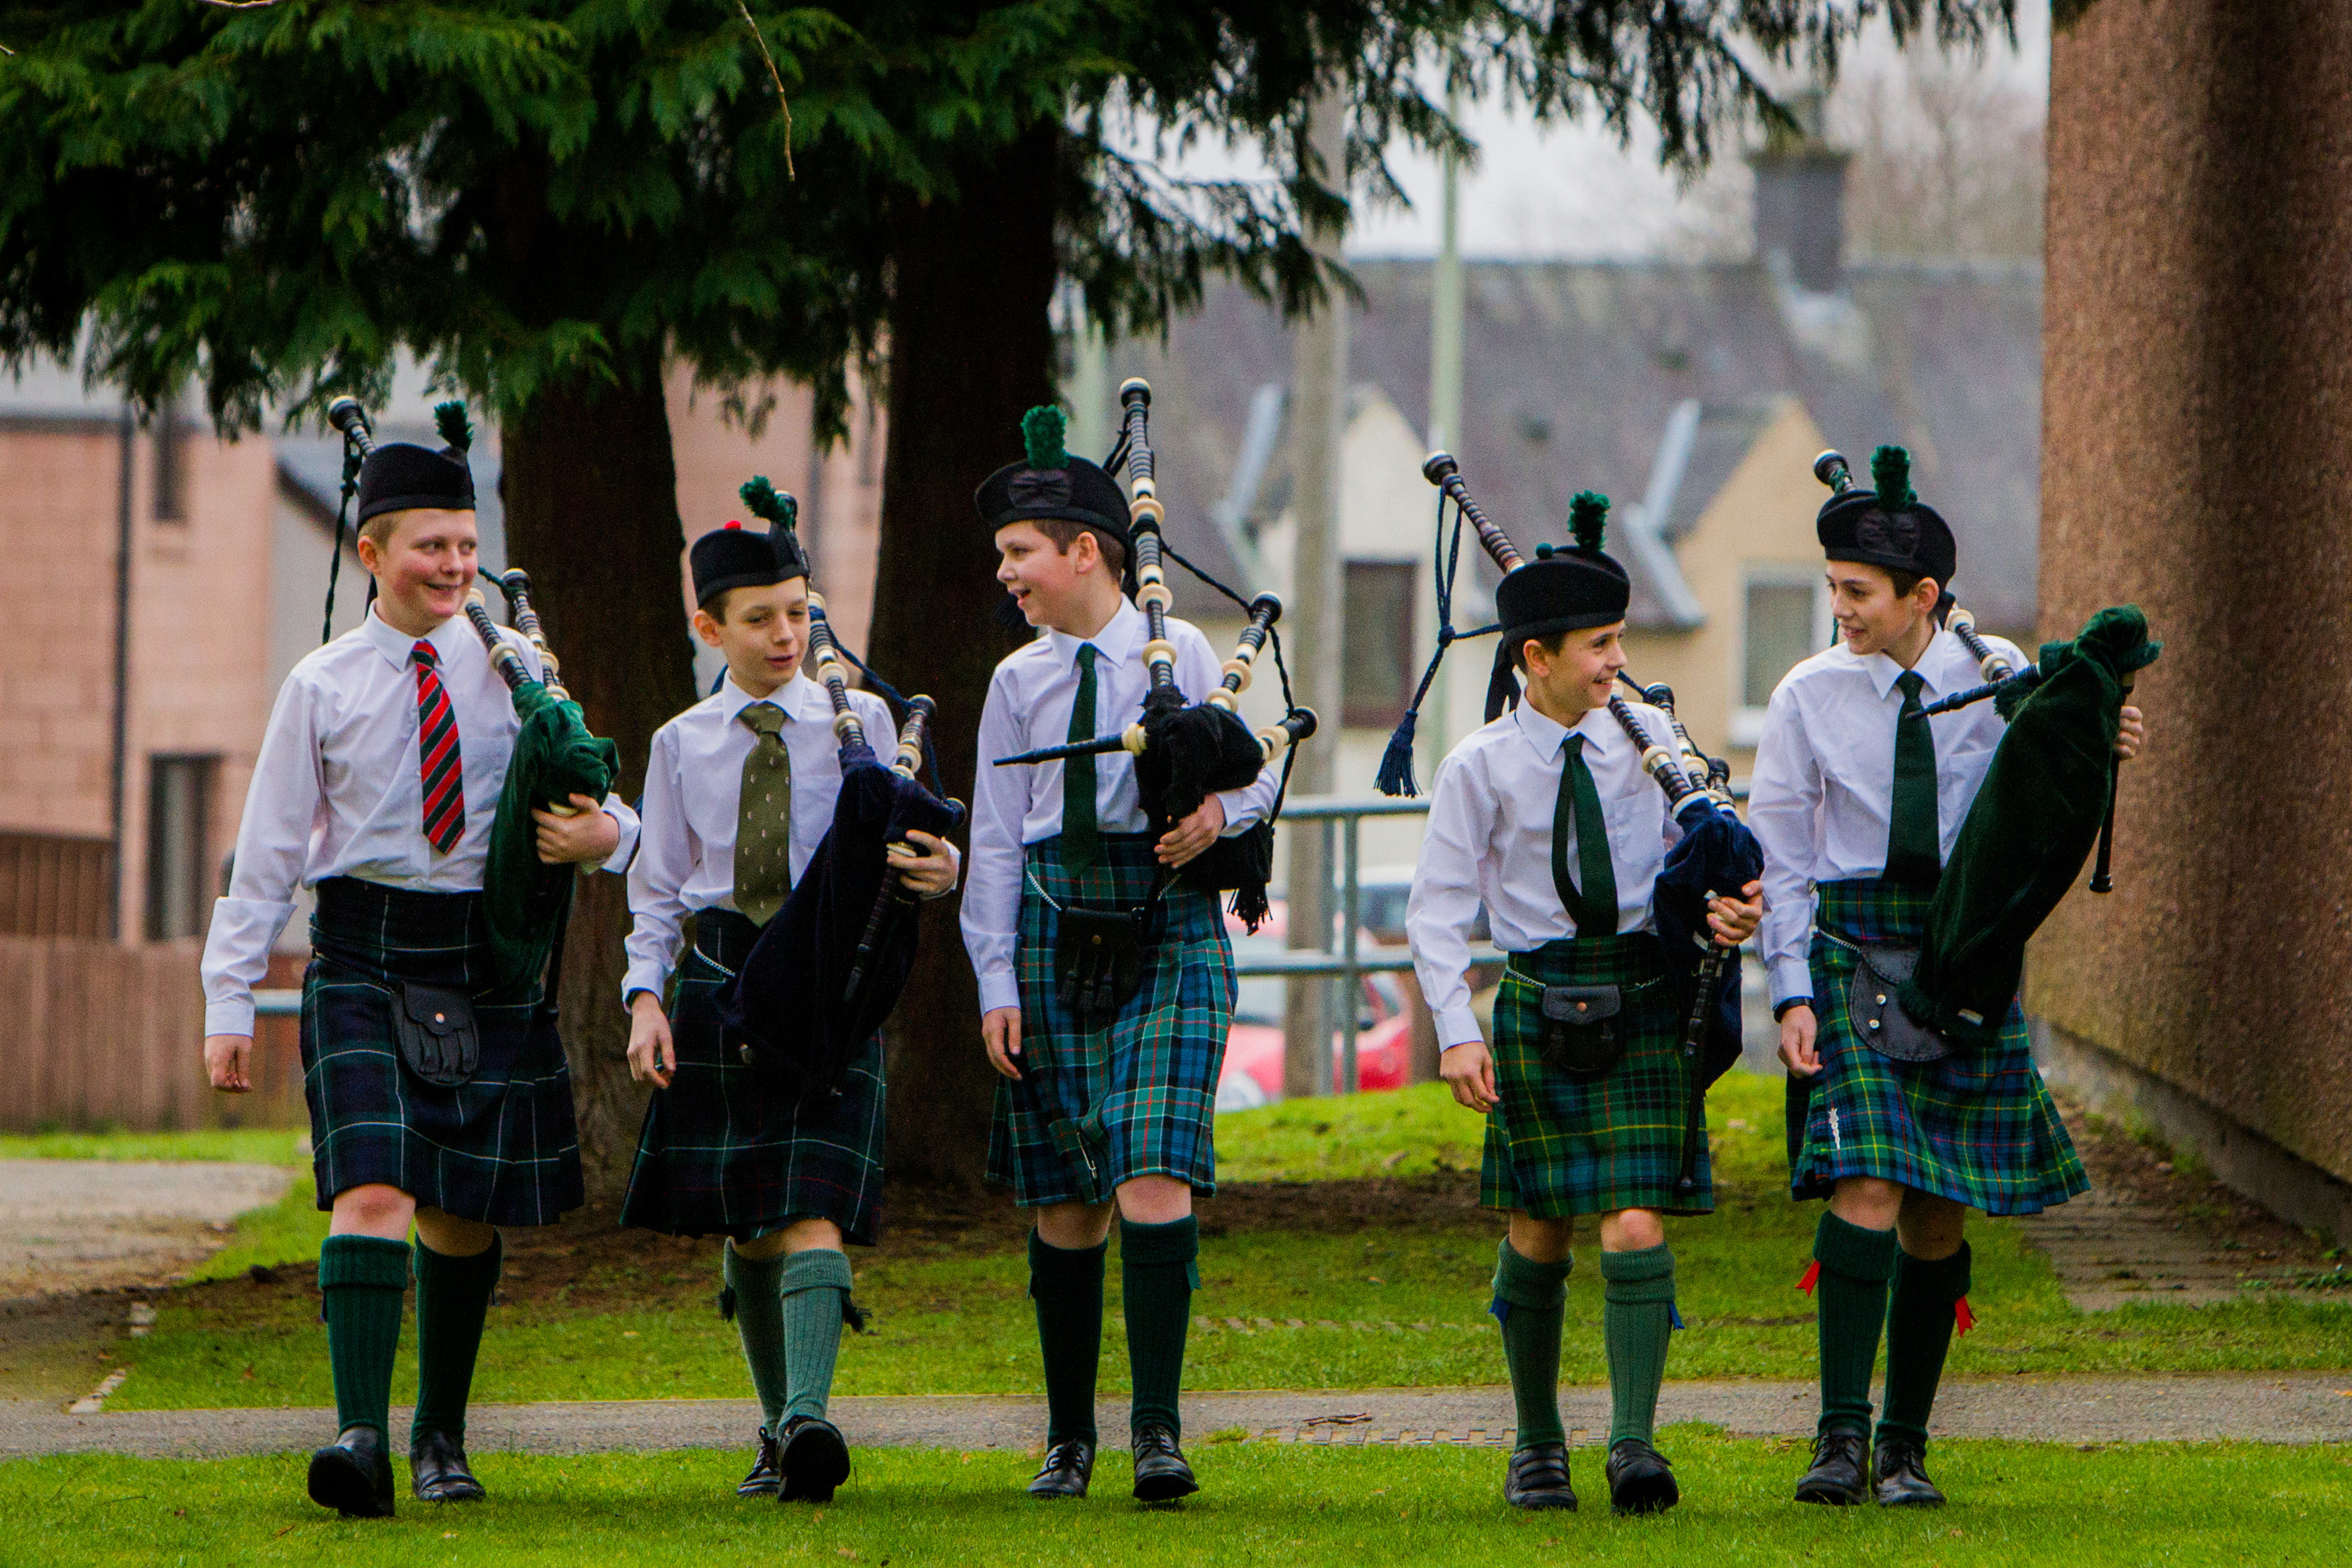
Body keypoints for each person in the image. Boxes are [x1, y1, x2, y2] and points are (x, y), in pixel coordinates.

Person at [200, 411, 639, 1517]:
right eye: (428, 546)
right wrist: (228, 998)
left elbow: (596, 796)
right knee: (375, 1189)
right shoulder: (323, 684)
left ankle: (439, 1434)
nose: (452, 567)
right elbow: (265, 855)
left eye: (464, 544)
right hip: (360, 955)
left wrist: (609, 839)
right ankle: (360, 1441)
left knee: (462, 1213)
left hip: (485, 958)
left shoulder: (519, 670)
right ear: (372, 554)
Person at [1750, 446, 2147, 1508]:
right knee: (1866, 1182)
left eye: (1859, 593)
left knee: (1939, 1209)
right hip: (1849, 947)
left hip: (1962, 949)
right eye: (1834, 587)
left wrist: (2097, 730)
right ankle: (1838, 1441)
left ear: (1924, 596)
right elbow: (1781, 858)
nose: (1840, 608)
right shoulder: (1806, 696)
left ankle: (1905, 1447)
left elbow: (2050, 776)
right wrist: (1789, 991)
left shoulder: (2000, 672)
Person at [1407, 494, 1763, 1516]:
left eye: (1619, 640)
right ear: (1536, 657)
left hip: (1642, 990)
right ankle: (1536, 1448)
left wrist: (1729, 915)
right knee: (1538, 1228)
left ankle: (1635, 1447)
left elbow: (1703, 872)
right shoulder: (1479, 765)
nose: (1617, 661)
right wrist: (1456, 1031)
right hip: (1536, 998)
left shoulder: (1653, 743)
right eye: (1599, 644)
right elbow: (1436, 912)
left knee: (1637, 1219)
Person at [963, 407, 1280, 1503]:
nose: (1006, 573)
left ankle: (1156, 1434)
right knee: (1063, 1202)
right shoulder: (1018, 684)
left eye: (1019, 554)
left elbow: (1264, 761)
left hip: (1169, 929)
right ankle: (1067, 1440)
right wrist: (995, 982)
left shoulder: (1180, 649)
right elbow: (995, 844)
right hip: (1055, 930)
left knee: (1151, 1171)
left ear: (1082, 550)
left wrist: (1221, 819)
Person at [618, 518, 958, 1503]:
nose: (786, 635)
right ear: (707, 626)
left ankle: (807, 1418)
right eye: (759, 618)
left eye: (799, 613)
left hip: (827, 979)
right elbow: (658, 890)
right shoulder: (679, 744)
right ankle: (780, 1428)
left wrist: (945, 870)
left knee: (813, 1207)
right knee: (753, 1222)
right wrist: (646, 999)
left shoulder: (865, 728)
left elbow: (922, 850)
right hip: (723, 973)